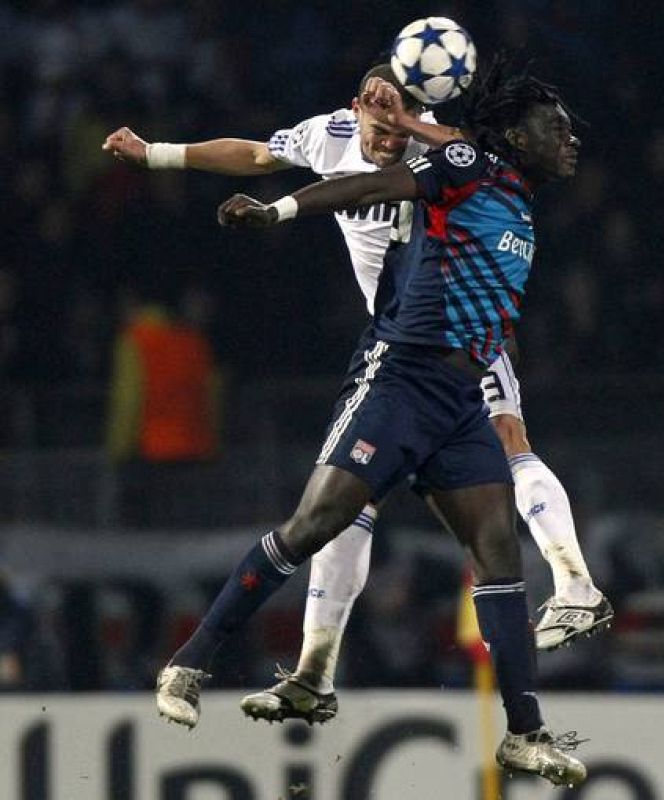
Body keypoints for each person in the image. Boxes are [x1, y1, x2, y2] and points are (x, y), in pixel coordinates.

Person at [102, 63, 610, 714]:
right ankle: (315, 671)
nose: (392, 137)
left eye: (401, 119)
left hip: (458, 334)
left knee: (510, 442)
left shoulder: (434, 146)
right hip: (396, 347)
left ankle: (573, 582)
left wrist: (410, 124)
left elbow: (487, 146)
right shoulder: (328, 137)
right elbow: (254, 152)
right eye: (381, 117)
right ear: (356, 110)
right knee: (346, 506)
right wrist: (157, 154)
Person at [105, 284, 222, 528]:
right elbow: (211, 399)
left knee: (149, 542)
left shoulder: (135, 339)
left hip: (149, 452)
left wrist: (118, 449)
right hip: (196, 451)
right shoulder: (193, 341)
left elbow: (129, 399)